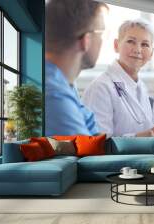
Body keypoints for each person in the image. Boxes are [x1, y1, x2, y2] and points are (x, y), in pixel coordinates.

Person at [82, 19, 154, 137]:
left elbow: (143, 128)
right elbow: (98, 144)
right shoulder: (101, 87)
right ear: (116, 45)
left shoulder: (140, 86)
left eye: (145, 44)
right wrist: (148, 134)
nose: (137, 50)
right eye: (131, 41)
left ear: (151, 53)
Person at [45, 0, 108, 136]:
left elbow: (95, 135)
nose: (102, 40)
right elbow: (88, 151)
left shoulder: (66, 85)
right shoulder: (54, 96)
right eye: (101, 32)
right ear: (86, 40)